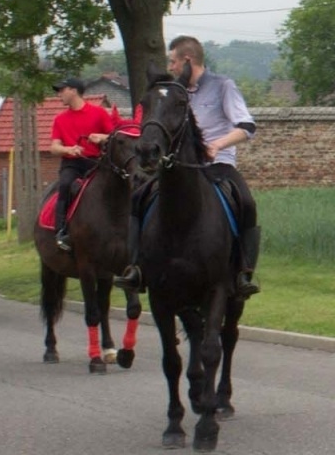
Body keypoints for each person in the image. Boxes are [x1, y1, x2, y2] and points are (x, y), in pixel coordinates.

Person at [117, 35, 261, 298]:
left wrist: (217, 145)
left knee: (247, 203)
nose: (170, 67)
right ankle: (136, 268)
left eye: (172, 62)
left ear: (187, 60)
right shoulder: (173, 91)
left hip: (217, 165)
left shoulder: (222, 86)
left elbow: (247, 126)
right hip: (176, 167)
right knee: (138, 198)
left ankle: (243, 272)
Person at [48, 77, 120, 251]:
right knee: (65, 184)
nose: (59, 94)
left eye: (62, 90)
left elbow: (115, 137)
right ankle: (61, 231)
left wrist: (101, 137)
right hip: (72, 164)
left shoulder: (99, 113)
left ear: (74, 91)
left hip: (96, 163)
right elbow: (54, 148)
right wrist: (68, 149)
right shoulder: (60, 119)